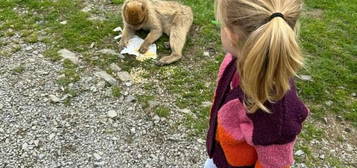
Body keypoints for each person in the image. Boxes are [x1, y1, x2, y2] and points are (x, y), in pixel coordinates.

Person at [205, 0, 309, 167]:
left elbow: (274, 164)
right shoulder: (234, 60)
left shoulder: (277, 112)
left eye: (221, 24)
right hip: (221, 155)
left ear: (232, 37)